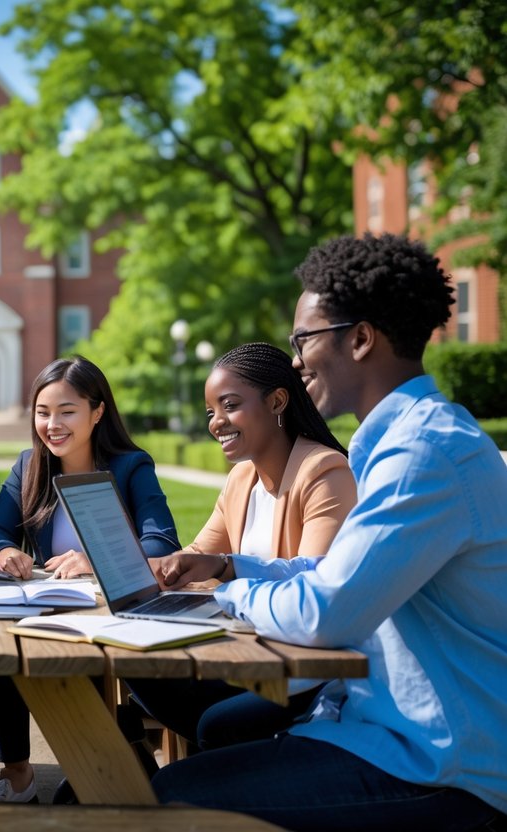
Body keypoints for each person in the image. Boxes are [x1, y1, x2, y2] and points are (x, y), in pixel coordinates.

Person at [150, 233, 507, 831]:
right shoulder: (406, 442)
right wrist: (234, 567)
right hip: (382, 730)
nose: (294, 358)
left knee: (168, 795)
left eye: (303, 339)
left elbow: (325, 611)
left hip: (442, 763)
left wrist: (228, 595)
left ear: (361, 339)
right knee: (189, 764)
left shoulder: (425, 454)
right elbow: (335, 577)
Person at [125, 342, 357, 753]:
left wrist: (222, 567)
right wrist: (110, 564)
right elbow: (196, 559)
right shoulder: (241, 479)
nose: (217, 423)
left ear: (277, 401)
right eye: (211, 411)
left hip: (304, 673)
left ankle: (202, 773)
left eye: (229, 405)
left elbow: (315, 580)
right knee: (138, 668)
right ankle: (188, 770)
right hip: (246, 649)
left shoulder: (324, 471)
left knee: (214, 723)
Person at [0, 356, 179, 802]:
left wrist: (93, 558)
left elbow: (163, 542)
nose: (53, 424)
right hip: (52, 601)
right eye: (43, 412)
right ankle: (17, 773)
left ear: (98, 411)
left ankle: (96, 760)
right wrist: (6, 549)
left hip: (112, 610)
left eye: (67, 411)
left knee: (77, 655)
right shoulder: (30, 464)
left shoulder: (131, 466)